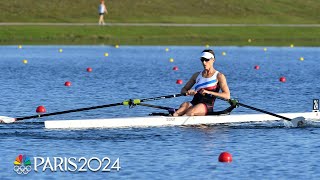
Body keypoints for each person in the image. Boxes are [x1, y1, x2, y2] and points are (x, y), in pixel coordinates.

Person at [173, 49, 236, 116]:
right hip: (194, 102)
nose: (204, 62)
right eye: (202, 60)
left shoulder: (219, 76)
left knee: (190, 112)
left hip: (207, 105)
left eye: (207, 60)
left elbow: (227, 95)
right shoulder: (196, 75)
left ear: (213, 60)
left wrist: (208, 92)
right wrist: (187, 92)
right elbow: (183, 90)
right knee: (182, 107)